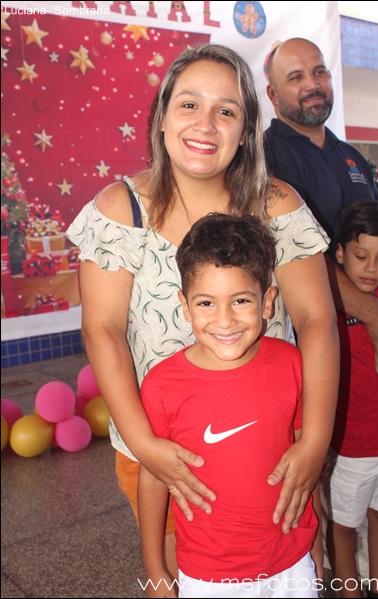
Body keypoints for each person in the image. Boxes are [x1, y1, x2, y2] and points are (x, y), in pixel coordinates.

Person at [65, 43, 339, 590]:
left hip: (274, 445)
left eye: (226, 110)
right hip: (166, 451)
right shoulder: (120, 211)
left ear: (246, 129)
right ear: (162, 116)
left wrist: (313, 442)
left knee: (292, 571)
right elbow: (103, 330)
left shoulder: (278, 204)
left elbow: (316, 320)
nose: (206, 124)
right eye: (189, 104)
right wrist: (146, 446)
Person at [139, 212, 319, 598]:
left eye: (240, 300)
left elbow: (304, 465)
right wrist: (155, 570)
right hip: (209, 576)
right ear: (185, 306)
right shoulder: (161, 386)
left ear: (267, 302)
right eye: (206, 303)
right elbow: (153, 477)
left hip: (292, 562)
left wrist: (314, 549)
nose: (224, 321)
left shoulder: (291, 363)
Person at [263, 38, 378, 374]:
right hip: (311, 341)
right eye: (296, 77)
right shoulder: (266, 158)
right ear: (273, 95)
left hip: (372, 335)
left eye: (320, 72)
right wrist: (375, 312)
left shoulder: (351, 156)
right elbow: (298, 255)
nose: (313, 84)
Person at [325, 202, 378, 599]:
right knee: (344, 528)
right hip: (353, 450)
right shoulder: (329, 307)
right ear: (339, 254)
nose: (371, 268)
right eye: (360, 256)